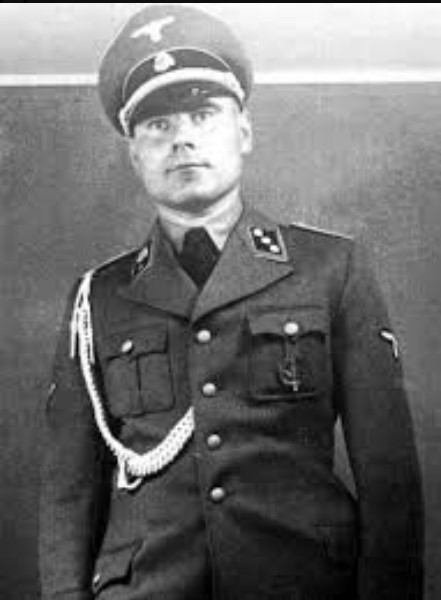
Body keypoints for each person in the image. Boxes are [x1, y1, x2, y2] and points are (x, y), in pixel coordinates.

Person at [39, 4, 424, 600]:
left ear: (243, 132)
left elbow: (388, 475)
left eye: (203, 114)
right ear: (134, 154)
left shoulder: (331, 268)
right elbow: (69, 490)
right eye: (157, 125)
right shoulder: (99, 298)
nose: (182, 138)